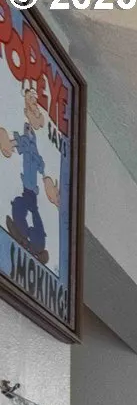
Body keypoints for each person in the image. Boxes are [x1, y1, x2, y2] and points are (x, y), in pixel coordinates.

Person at [0, 79, 59, 266]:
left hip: (32, 190)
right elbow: (17, 144)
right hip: (28, 188)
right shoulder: (26, 141)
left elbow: (43, 169)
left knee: (30, 211)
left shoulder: (35, 150)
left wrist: (49, 187)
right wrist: (8, 144)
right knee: (21, 206)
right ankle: (26, 237)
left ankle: (35, 244)